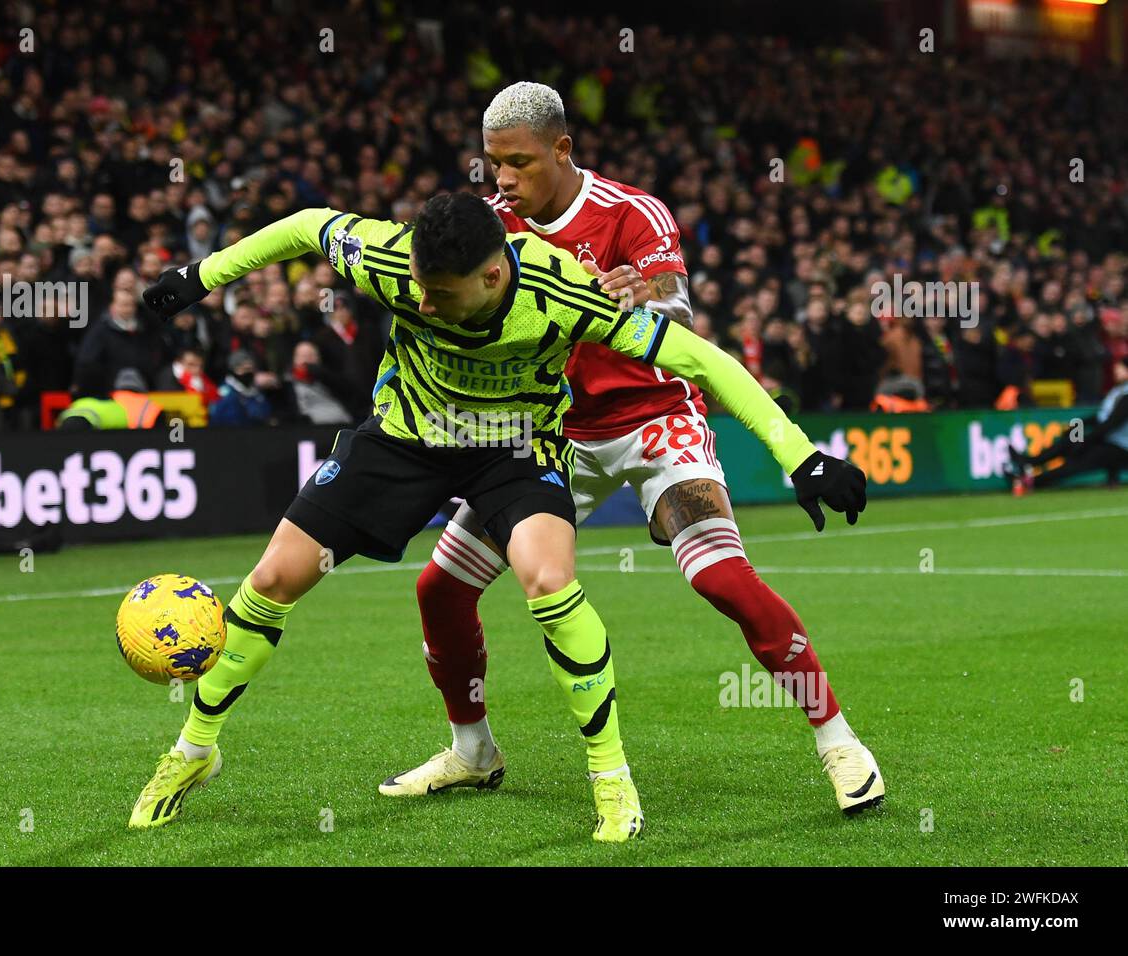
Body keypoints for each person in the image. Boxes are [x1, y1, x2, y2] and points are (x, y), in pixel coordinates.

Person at [129, 190, 866, 842]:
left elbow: (702, 359)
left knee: (549, 580)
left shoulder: (563, 289)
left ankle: (612, 776)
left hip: (514, 448)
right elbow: (302, 227)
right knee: (274, 578)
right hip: (405, 437)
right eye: (419, 287)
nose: (421, 303)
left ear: (492, 277)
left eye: (439, 293)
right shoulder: (391, 258)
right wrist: (200, 278)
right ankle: (197, 751)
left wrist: (799, 454)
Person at [387, 82, 884, 816]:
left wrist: (639, 292)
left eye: (520, 163)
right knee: (440, 588)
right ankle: (472, 750)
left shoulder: (631, 212)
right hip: (554, 434)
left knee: (722, 580)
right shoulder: (490, 229)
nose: (505, 180)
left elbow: (676, 305)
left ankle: (840, 742)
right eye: (494, 164)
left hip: (655, 420)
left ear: (562, 149)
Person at [1008, 355, 1128, 493]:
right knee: (1071, 440)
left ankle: (1032, 481)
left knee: (1079, 460)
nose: (1116, 371)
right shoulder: (1118, 391)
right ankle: (1030, 462)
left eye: (1121, 368)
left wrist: (1086, 441)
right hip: (1109, 442)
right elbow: (1101, 417)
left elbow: (1111, 424)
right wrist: (1077, 426)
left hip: (1121, 447)